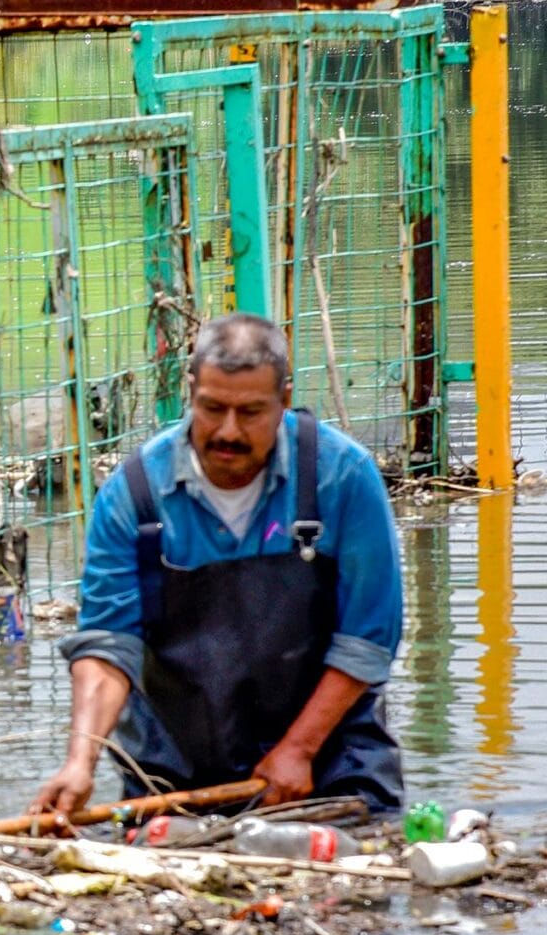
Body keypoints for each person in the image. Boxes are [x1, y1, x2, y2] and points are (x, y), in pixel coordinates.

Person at [31, 313, 404, 819]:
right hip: (175, 777)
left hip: (330, 765)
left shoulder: (344, 477)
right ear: (191, 392)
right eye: (212, 408)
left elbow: (367, 639)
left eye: (251, 412)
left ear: (284, 401)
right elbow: (107, 644)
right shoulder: (135, 495)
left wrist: (299, 749)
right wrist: (81, 762)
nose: (228, 432)